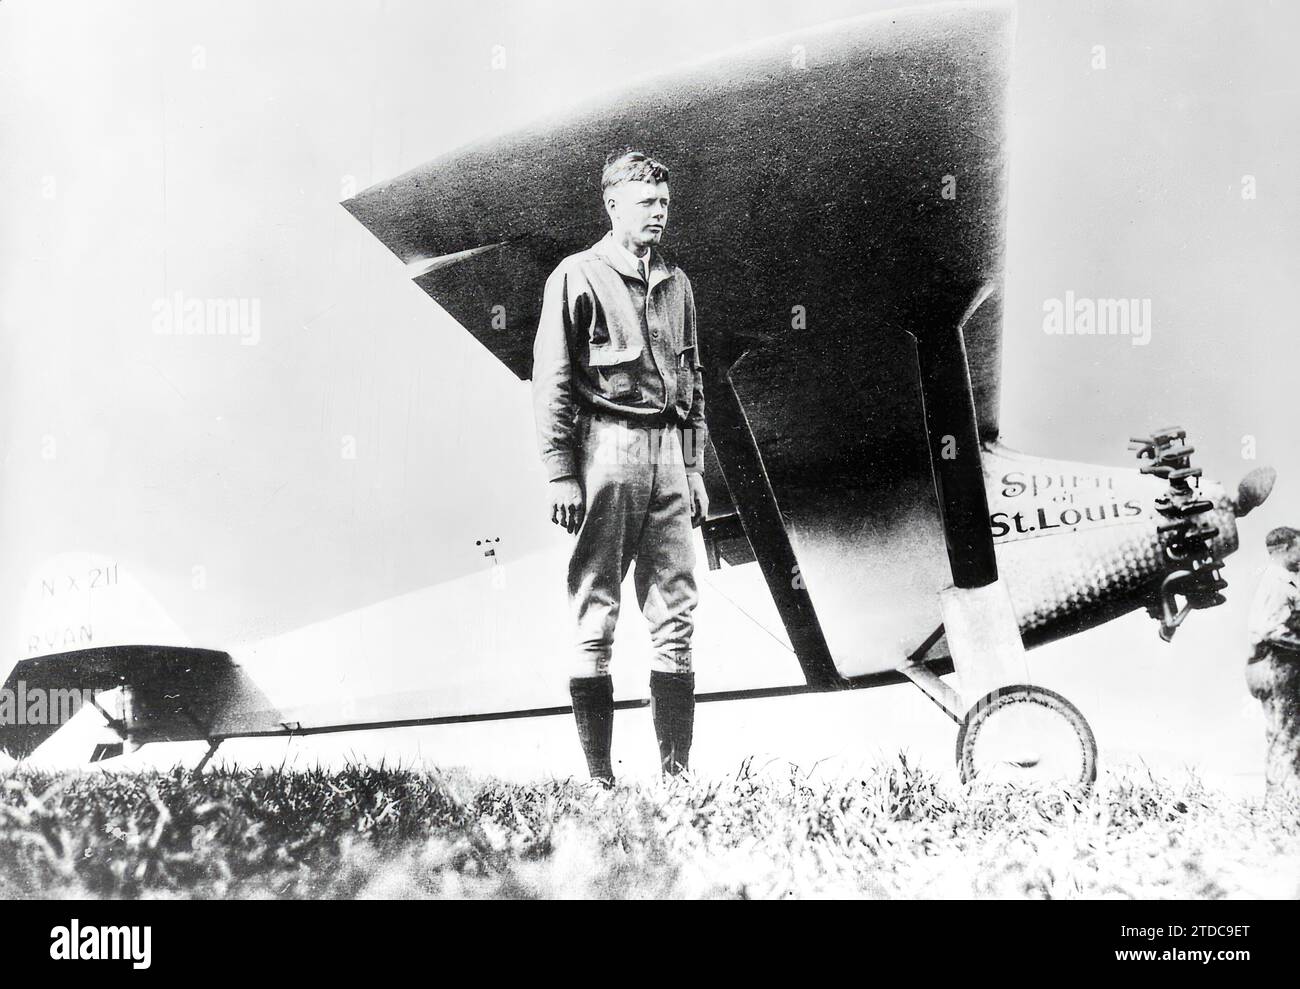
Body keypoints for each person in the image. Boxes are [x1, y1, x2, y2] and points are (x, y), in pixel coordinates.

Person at [531, 149, 709, 785]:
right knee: (596, 608)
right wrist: (559, 470)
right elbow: (552, 378)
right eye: (646, 203)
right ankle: (600, 781)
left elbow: (693, 381)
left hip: (667, 452)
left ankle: (675, 778)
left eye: (664, 203)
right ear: (612, 206)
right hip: (608, 446)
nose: (659, 213)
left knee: (677, 609)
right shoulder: (577, 276)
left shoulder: (678, 284)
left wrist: (693, 469)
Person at [1245, 525, 1300, 799]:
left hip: (1270, 663)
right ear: (1285, 548)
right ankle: (1281, 800)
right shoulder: (1278, 583)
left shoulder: (1279, 580)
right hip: (1277, 663)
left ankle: (1282, 798)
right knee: (1286, 732)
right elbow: (1270, 629)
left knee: (1282, 732)